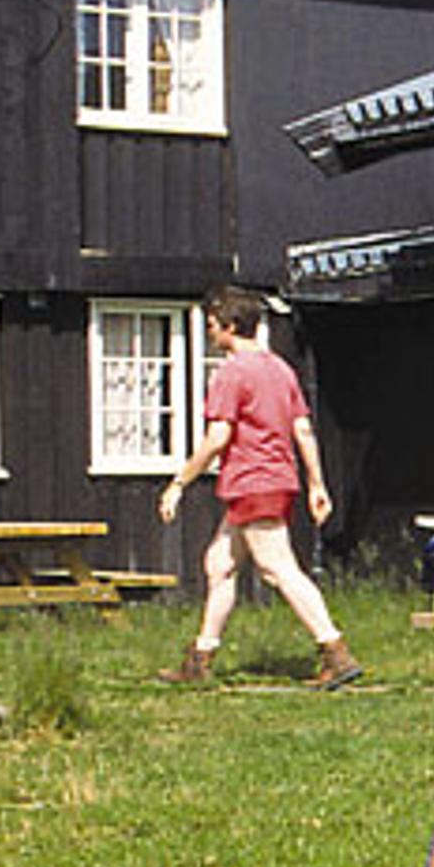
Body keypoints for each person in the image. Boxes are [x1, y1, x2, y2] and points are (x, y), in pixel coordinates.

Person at [156, 287, 360, 690]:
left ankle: (335, 651)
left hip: (253, 481)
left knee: (278, 569)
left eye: (212, 326)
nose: (211, 334)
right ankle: (200, 658)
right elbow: (302, 430)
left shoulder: (232, 373)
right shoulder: (280, 369)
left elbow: (217, 438)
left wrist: (179, 482)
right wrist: (316, 483)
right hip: (275, 480)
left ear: (230, 326)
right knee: (220, 564)